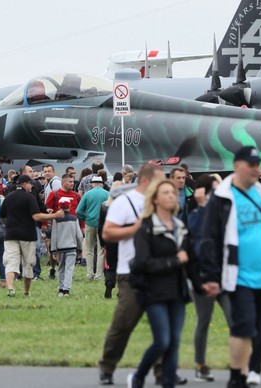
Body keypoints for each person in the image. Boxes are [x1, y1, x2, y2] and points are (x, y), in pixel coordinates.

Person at [198, 147, 261, 388]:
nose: (255, 169)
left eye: (257, 164)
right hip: (238, 274)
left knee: (260, 326)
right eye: (250, 165)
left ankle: (249, 370)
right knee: (243, 326)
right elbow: (208, 238)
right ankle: (236, 376)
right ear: (238, 165)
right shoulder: (222, 197)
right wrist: (209, 275)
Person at [98, 164, 167, 386]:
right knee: (123, 324)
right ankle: (107, 367)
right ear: (146, 181)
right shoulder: (124, 203)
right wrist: (137, 228)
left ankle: (163, 372)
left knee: (164, 327)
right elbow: (108, 232)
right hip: (131, 274)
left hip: (158, 274)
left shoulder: (161, 203)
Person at [127, 180, 201, 388]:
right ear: (155, 198)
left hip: (177, 291)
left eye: (172, 192)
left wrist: (203, 284)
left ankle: (168, 383)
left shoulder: (180, 227)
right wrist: (174, 261)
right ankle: (139, 376)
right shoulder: (146, 227)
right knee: (163, 341)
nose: (171, 195)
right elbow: (143, 262)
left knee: (174, 343)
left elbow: (190, 261)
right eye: (166, 192)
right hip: (153, 292)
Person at [186, 174, 231, 383]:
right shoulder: (196, 215)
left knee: (235, 320)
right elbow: (199, 245)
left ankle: (240, 363)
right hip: (204, 277)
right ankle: (201, 364)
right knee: (204, 320)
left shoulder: (225, 214)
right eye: (213, 190)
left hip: (224, 276)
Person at [0, 174, 63, 297]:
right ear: (24, 184)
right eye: (30, 183)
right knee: (28, 264)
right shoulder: (29, 197)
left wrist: (8, 224)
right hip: (27, 234)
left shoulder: (8, 197)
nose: (32, 186)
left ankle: (11, 288)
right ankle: (26, 291)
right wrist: (54, 215)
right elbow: (36, 216)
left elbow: (2, 216)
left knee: (11, 262)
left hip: (11, 234)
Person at [76, 175, 110, 281]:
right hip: (103, 224)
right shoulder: (107, 194)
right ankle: (99, 276)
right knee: (101, 250)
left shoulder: (87, 194)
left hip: (90, 223)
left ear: (92, 184)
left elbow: (78, 211)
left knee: (89, 249)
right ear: (102, 184)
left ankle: (89, 274)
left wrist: (85, 218)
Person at [50, 198, 83, 297]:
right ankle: (66, 289)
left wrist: (53, 250)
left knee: (61, 268)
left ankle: (60, 288)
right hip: (72, 247)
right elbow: (79, 235)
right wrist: (80, 248)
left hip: (60, 248)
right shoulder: (74, 219)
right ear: (69, 206)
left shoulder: (56, 220)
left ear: (59, 207)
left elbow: (54, 235)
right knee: (69, 268)